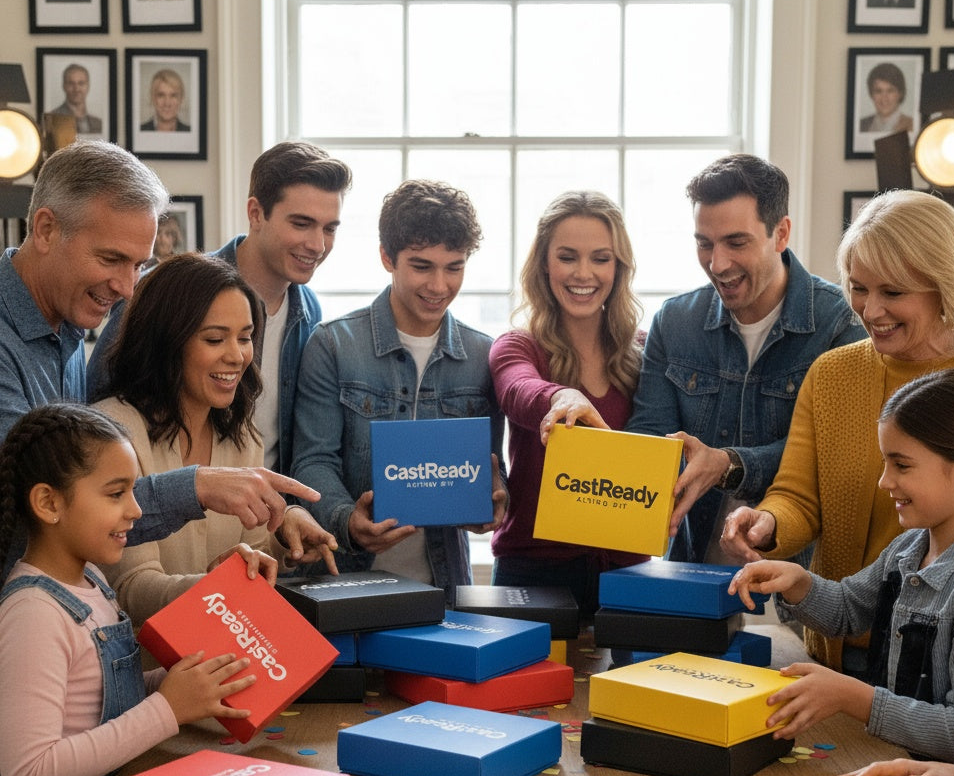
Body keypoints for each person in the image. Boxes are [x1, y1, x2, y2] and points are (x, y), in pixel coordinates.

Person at [720, 189, 954, 675]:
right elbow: (798, 494)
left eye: (893, 292)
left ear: (942, 285)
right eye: (859, 287)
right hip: (835, 645)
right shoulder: (832, 375)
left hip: (944, 665)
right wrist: (768, 523)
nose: (870, 309)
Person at [730, 368, 954, 776]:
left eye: (901, 465)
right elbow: (849, 609)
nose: (885, 480)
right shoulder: (910, 546)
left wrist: (854, 696)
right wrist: (800, 583)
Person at [0, 140, 324, 577]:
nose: (127, 288)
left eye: (138, 265)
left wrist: (279, 520)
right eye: (111, 259)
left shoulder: (67, 327)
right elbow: (38, 503)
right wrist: (195, 487)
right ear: (44, 229)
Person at [0, 403, 262, 776]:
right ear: (48, 503)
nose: (137, 511)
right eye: (117, 494)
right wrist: (166, 710)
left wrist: (169, 684)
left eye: (135, 492)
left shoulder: (92, 582)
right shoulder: (34, 611)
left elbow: (94, 701)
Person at [626, 154, 864, 565]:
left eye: (736, 242)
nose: (717, 264)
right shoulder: (674, 322)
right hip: (694, 571)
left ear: (781, 233)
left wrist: (729, 464)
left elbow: (833, 454)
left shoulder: (841, 325)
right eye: (704, 243)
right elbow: (649, 438)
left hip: (804, 577)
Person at [94, 254, 337, 628]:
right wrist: (217, 588)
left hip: (223, 665)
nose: (237, 356)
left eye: (245, 338)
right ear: (166, 342)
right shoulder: (113, 431)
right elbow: (130, 588)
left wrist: (285, 537)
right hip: (145, 678)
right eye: (214, 338)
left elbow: (253, 549)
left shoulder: (241, 435)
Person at [291, 179, 508, 600]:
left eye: (455, 267)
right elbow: (312, 461)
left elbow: (491, 466)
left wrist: (495, 499)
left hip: (444, 586)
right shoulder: (333, 344)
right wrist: (345, 518)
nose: (439, 286)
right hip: (345, 581)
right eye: (422, 266)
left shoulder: (484, 355)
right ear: (387, 257)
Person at [88, 140, 352, 475]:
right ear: (255, 213)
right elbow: (99, 411)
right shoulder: (164, 290)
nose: (317, 245)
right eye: (301, 224)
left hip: (258, 514)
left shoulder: (308, 310)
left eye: (329, 228)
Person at [489, 191, 647, 623]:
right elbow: (517, 390)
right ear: (544, 263)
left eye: (601, 258)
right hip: (533, 571)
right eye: (567, 257)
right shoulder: (516, 345)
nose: (584, 273)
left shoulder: (645, 354)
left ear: (619, 267)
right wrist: (560, 396)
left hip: (628, 572)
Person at [48, 63, 102, 136]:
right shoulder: (53, 119)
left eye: (81, 83)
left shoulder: (97, 122)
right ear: (64, 86)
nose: (76, 89)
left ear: (88, 86)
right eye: (71, 83)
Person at [859, 62, 913, 134]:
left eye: (890, 91)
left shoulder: (911, 125)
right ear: (871, 94)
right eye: (878, 91)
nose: (884, 98)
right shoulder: (861, 125)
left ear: (900, 93)